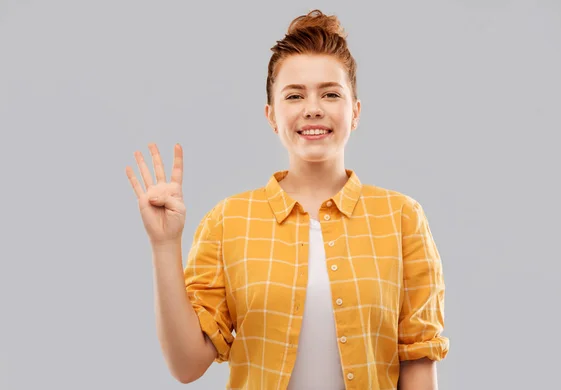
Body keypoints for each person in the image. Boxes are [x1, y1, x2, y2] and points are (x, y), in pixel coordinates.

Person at [126, 9, 449, 390]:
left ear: (355, 111)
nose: (313, 108)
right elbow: (187, 365)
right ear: (271, 115)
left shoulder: (401, 218)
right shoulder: (228, 221)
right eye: (294, 95)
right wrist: (164, 245)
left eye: (331, 93)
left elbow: (418, 361)